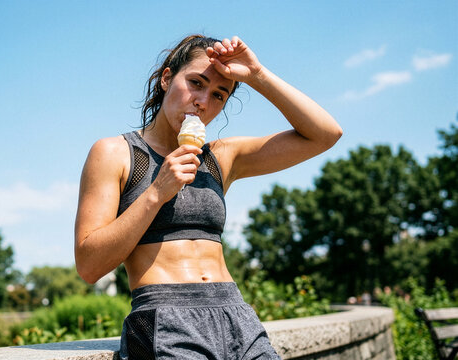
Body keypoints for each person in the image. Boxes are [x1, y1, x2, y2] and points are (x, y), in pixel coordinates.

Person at [74, 34, 343, 359]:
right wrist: (156, 193)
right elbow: (89, 265)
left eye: (219, 94)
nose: (203, 101)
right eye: (195, 83)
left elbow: (325, 134)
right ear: (166, 78)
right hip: (164, 319)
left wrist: (257, 74)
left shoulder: (220, 157)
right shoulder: (117, 153)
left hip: (236, 316)